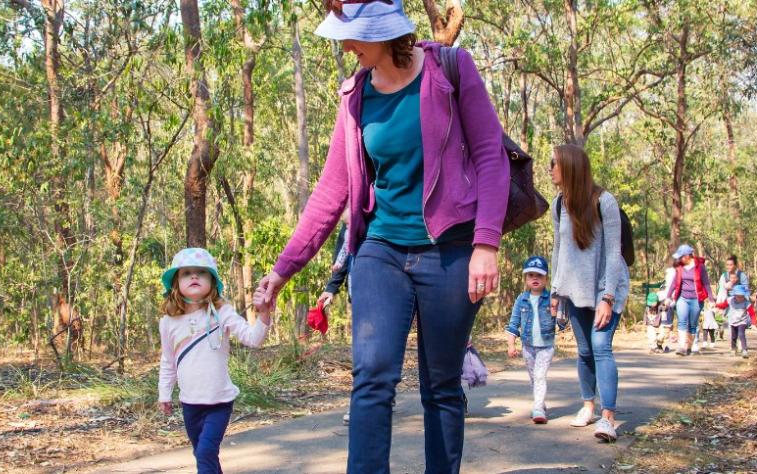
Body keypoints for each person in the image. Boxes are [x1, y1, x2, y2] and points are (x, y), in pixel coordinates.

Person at [251, 1, 510, 471]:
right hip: (380, 250)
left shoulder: (450, 68)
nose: (344, 45)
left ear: (383, 32)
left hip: (450, 250)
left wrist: (486, 244)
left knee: (442, 385)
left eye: (350, 35)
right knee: (371, 377)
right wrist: (281, 270)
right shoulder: (354, 95)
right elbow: (332, 190)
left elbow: (491, 156)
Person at [158, 248, 272, 474]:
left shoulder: (222, 312)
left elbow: (253, 339)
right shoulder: (168, 322)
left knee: (205, 453)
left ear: (212, 281)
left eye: (201, 272)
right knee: (203, 454)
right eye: (186, 273)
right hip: (190, 403)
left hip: (219, 401)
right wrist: (164, 393)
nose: (193, 276)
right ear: (175, 283)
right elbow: (168, 361)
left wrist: (264, 315)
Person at [548, 143, 630, 443]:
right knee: (584, 351)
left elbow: (613, 253)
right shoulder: (559, 204)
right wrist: (555, 292)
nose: (550, 169)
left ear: (570, 166)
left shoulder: (604, 201)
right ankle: (588, 406)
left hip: (606, 286)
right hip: (574, 289)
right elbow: (559, 250)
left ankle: (608, 418)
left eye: (554, 163)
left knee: (600, 346)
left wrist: (607, 297)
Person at [505, 256, 566, 424]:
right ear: (525, 279)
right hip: (528, 346)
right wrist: (511, 344)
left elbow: (562, 324)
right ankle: (541, 401)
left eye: (539, 276)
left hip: (546, 346)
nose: (535, 279)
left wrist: (557, 313)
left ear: (546, 279)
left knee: (539, 376)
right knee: (533, 377)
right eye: (531, 275)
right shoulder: (521, 299)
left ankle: (538, 407)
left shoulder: (551, 299)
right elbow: (513, 323)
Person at [666, 244, 712, 357]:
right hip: (682, 297)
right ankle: (681, 346)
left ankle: (691, 346)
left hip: (696, 299)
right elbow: (674, 282)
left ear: (687, 256)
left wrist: (711, 298)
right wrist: (668, 296)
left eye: (681, 256)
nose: (679, 259)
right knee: (682, 321)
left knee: (693, 324)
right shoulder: (679, 267)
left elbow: (706, 282)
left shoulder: (699, 267)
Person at [716, 284, 756, 358]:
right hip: (732, 321)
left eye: (742, 296)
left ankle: (744, 350)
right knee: (733, 336)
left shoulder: (746, 303)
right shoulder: (730, 300)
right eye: (739, 296)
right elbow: (723, 305)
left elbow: (752, 313)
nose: (740, 298)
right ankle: (733, 349)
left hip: (742, 321)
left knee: (741, 334)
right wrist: (716, 305)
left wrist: (753, 324)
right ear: (735, 295)